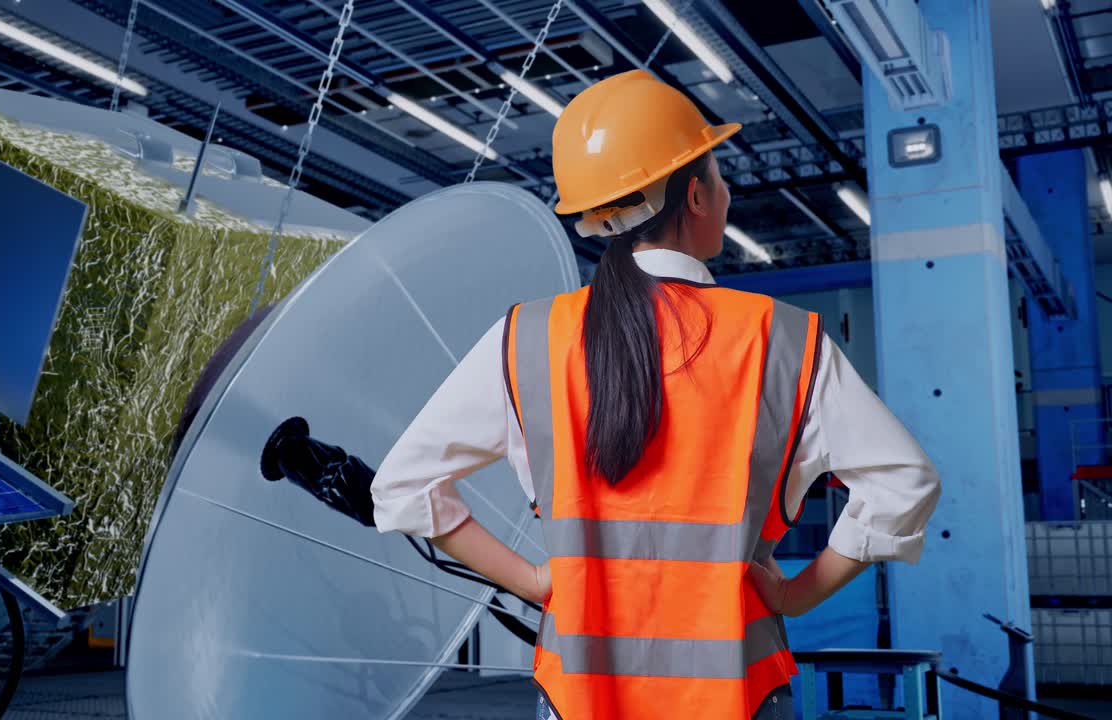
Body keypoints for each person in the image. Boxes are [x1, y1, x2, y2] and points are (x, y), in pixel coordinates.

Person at [370, 70, 940, 720]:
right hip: (738, 698)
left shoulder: (527, 338)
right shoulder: (783, 341)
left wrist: (532, 580)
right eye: (720, 177)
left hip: (581, 698)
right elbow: (905, 484)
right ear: (695, 195)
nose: (726, 192)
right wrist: (796, 596)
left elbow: (404, 488)